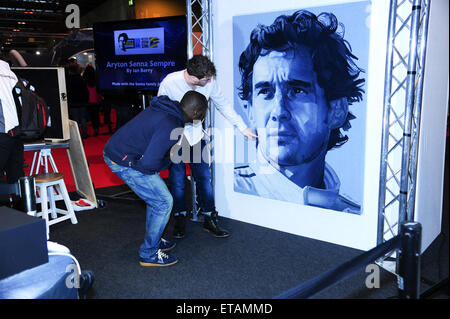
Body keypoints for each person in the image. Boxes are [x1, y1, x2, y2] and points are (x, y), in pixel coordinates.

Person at [234, 10, 365, 214]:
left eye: (297, 91)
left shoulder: (355, 218)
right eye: (265, 92)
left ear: (336, 111)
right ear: (250, 111)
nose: (279, 111)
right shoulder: (229, 195)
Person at [103, 90, 208, 267]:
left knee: (157, 199)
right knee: (164, 201)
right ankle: (148, 253)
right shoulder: (171, 123)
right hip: (121, 159)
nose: (204, 116)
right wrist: (163, 163)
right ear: (197, 112)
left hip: (120, 151)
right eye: (204, 112)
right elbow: (148, 164)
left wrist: (161, 162)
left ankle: (155, 240)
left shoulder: (169, 109)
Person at [158, 55, 258, 238]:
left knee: (204, 179)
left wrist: (243, 127)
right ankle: (180, 218)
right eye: (207, 79)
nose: (210, 81)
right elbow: (160, 110)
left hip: (197, 137)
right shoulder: (170, 82)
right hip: (174, 138)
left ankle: (209, 218)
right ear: (195, 77)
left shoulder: (208, 82)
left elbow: (223, 104)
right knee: (178, 182)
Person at [0, 59, 24, 205]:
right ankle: (22, 212)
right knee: (16, 174)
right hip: (16, 131)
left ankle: (4, 216)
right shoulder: (11, 73)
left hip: (1, 130)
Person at [65, 61, 89, 138]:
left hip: (73, 102)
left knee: (75, 119)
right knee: (83, 118)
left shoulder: (68, 80)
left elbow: (67, 91)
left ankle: (77, 135)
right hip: (82, 101)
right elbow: (85, 91)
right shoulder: (81, 79)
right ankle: (84, 133)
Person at [82, 64, 102, 136]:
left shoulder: (84, 80)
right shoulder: (97, 80)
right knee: (96, 115)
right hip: (96, 100)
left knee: (87, 116)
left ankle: (85, 131)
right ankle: (96, 129)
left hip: (88, 101)